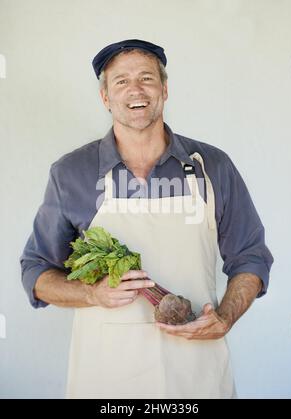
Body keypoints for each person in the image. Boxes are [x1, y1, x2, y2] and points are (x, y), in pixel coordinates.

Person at [20, 39, 274, 399]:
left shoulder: (212, 166)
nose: (135, 90)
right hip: (107, 382)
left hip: (197, 378)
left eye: (146, 78)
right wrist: (92, 293)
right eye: (120, 81)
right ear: (105, 97)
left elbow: (251, 255)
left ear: (165, 89)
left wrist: (226, 316)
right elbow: (36, 271)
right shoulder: (71, 173)